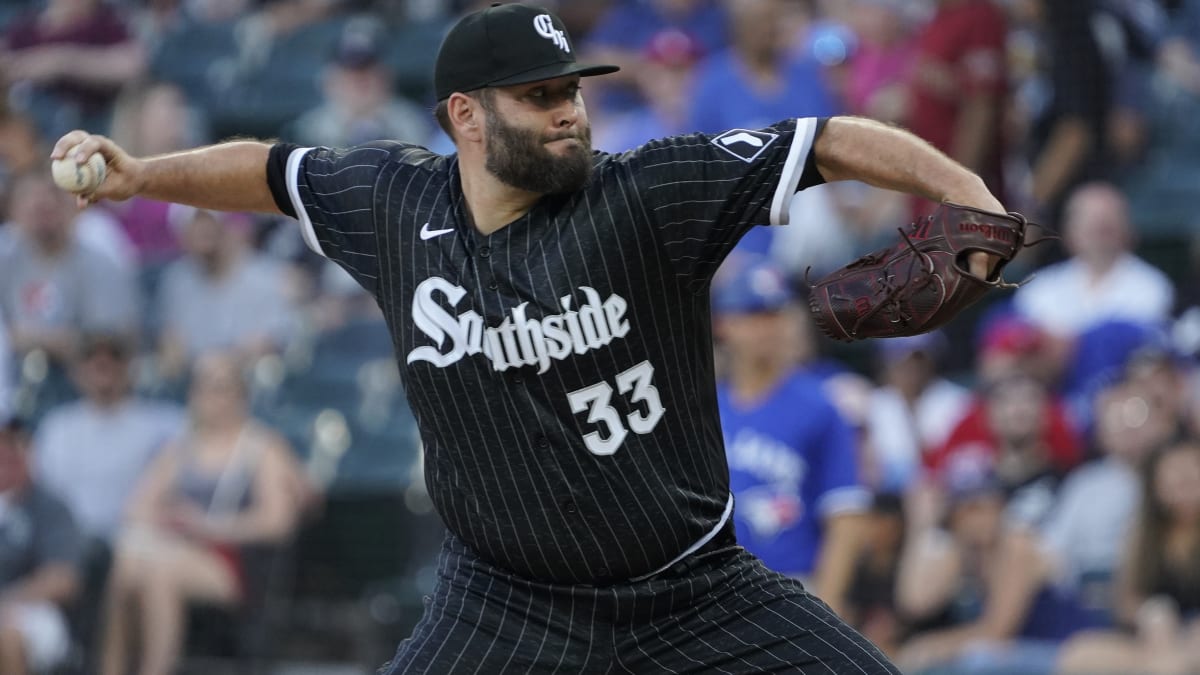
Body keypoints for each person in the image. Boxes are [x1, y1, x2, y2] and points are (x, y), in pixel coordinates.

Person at [52, 4, 1010, 671]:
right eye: (540, 96)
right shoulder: (392, 203)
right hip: (505, 603)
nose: (570, 112)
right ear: (465, 116)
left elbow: (829, 138)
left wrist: (967, 195)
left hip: (697, 589)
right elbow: (268, 171)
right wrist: (142, 174)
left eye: (573, 91)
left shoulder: (648, 194)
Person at [98, 352, 310, 675]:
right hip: (181, 549)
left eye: (219, 387)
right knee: (126, 564)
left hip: (235, 564)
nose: (208, 397)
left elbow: (277, 521)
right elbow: (135, 508)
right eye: (202, 387)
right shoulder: (181, 447)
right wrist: (171, 517)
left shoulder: (262, 446)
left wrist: (208, 526)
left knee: (159, 569)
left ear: (239, 395)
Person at [712, 257, 869, 618]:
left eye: (776, 314)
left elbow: (846, 515)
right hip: (715, 590)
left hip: (792, 587)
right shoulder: (705, 407)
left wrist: (824, 608)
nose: (768, 328)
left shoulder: (820, 405)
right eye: (754, 315)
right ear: (725, 324)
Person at [1057, 438, 1200, 675]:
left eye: (1192, 469)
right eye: (1173, 471)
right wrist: (1150, 613)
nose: (1183, 480)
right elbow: (1124, 601)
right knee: (1078, 655)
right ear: (1155, 482)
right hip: (1154, 642)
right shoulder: (1141, 533)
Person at [0, 417, 83, 675]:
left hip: (32, 609)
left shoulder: (49, 506)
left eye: (14, 443)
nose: (6, 452)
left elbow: (63, 579)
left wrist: (6, 602)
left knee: (6, 636)